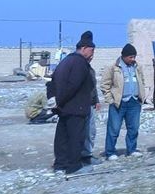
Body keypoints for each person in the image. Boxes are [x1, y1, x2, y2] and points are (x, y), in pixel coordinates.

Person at [51, 31, 99, 175]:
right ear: (84, 48)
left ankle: (60, 164)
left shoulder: (66, 61)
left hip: (65, 107)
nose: (92, 54)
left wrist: (57, 102)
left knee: (62, 137)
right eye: (91, 51)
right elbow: (73, 85)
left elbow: (53, 83)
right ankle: (74, 166)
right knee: (75, 137)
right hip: (75, 107)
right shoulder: (79, 62)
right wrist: (61, 100)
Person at [100, 43, 147, 159]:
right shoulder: (113, 67)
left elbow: (142, 81)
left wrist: (142, 95)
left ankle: (131, 150)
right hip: (119, 103)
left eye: (134, 57)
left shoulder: (137, 66)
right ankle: (110, 152)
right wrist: (110, 99)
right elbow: (105, 85)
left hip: (134, 102)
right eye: (130, 57)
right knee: (114, 128)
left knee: (133, 128)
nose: (133, 59)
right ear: (124, 56)